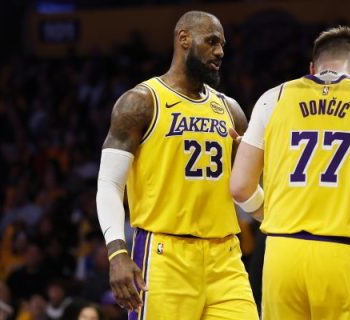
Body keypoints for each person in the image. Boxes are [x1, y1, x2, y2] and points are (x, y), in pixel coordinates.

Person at [230, 26, 350, 319]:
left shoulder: (273, 98)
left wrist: (275, 215)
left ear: (312, 68)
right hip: (347, 254)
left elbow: (240, 187)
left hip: (282, 254)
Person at [96, 10, 258, 320]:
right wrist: (117, 251)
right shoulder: (141, 102)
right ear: (183, 39)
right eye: (211, 42)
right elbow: (110, 185)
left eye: (222, 44)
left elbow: (247, 190)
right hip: (164, 255)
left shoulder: (231, 110)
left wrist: (277, 215)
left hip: (225, 256)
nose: (220, 51)